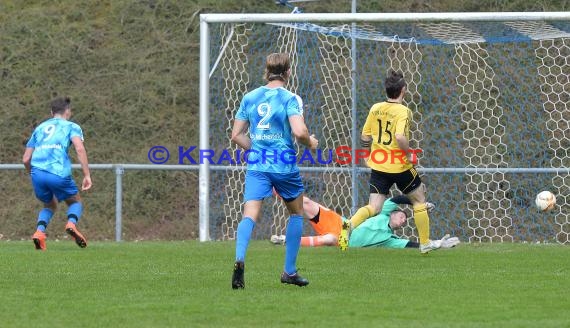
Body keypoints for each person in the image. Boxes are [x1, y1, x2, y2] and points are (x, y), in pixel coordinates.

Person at [230, 53, 318, 289]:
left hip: (258, 163)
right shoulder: (290, 98)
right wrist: (311, 142)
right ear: (288, 72)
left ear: (267, 71)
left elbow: (236, 135)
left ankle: (239, 260)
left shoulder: (250, 97)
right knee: (297, 213)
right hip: (283, 165)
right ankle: (289, 271)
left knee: (249, 214)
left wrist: (257, 148)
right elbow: (299, 132)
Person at [339, 71, 439, 254]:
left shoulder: (375, 108)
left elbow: (365, 135)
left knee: (374, 207)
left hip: (379, 165)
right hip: (400, 166)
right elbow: (400, 136)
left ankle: (348, 226)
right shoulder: (403, 111)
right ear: (403, 90)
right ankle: (425, 243)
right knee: (419, 201)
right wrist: (409, 154)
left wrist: (365, 156)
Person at [22, 97, 92, 250]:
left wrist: (33, 174)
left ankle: (39, 233)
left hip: (37, 174)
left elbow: (26, 158)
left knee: (50, 204)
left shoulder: (40, 128)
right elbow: (79, 149)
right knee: (75, 201)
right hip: (58, 173)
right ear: (68, 111)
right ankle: (71, 224)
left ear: (51, 112)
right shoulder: (71, 126)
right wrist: (87, 175)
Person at [271, 195, 459, 249]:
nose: (403, 220)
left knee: (329, 240)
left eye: (404, 221)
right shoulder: (384, 213)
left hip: (342, 241)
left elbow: (412, 244)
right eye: (402, 216)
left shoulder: (389, 239)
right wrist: (418, 203)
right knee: (306, 203)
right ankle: (277, 189)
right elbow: (396, 199)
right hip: (340, 223)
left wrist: (438, 244)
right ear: (392, 214)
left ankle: (285, 240)